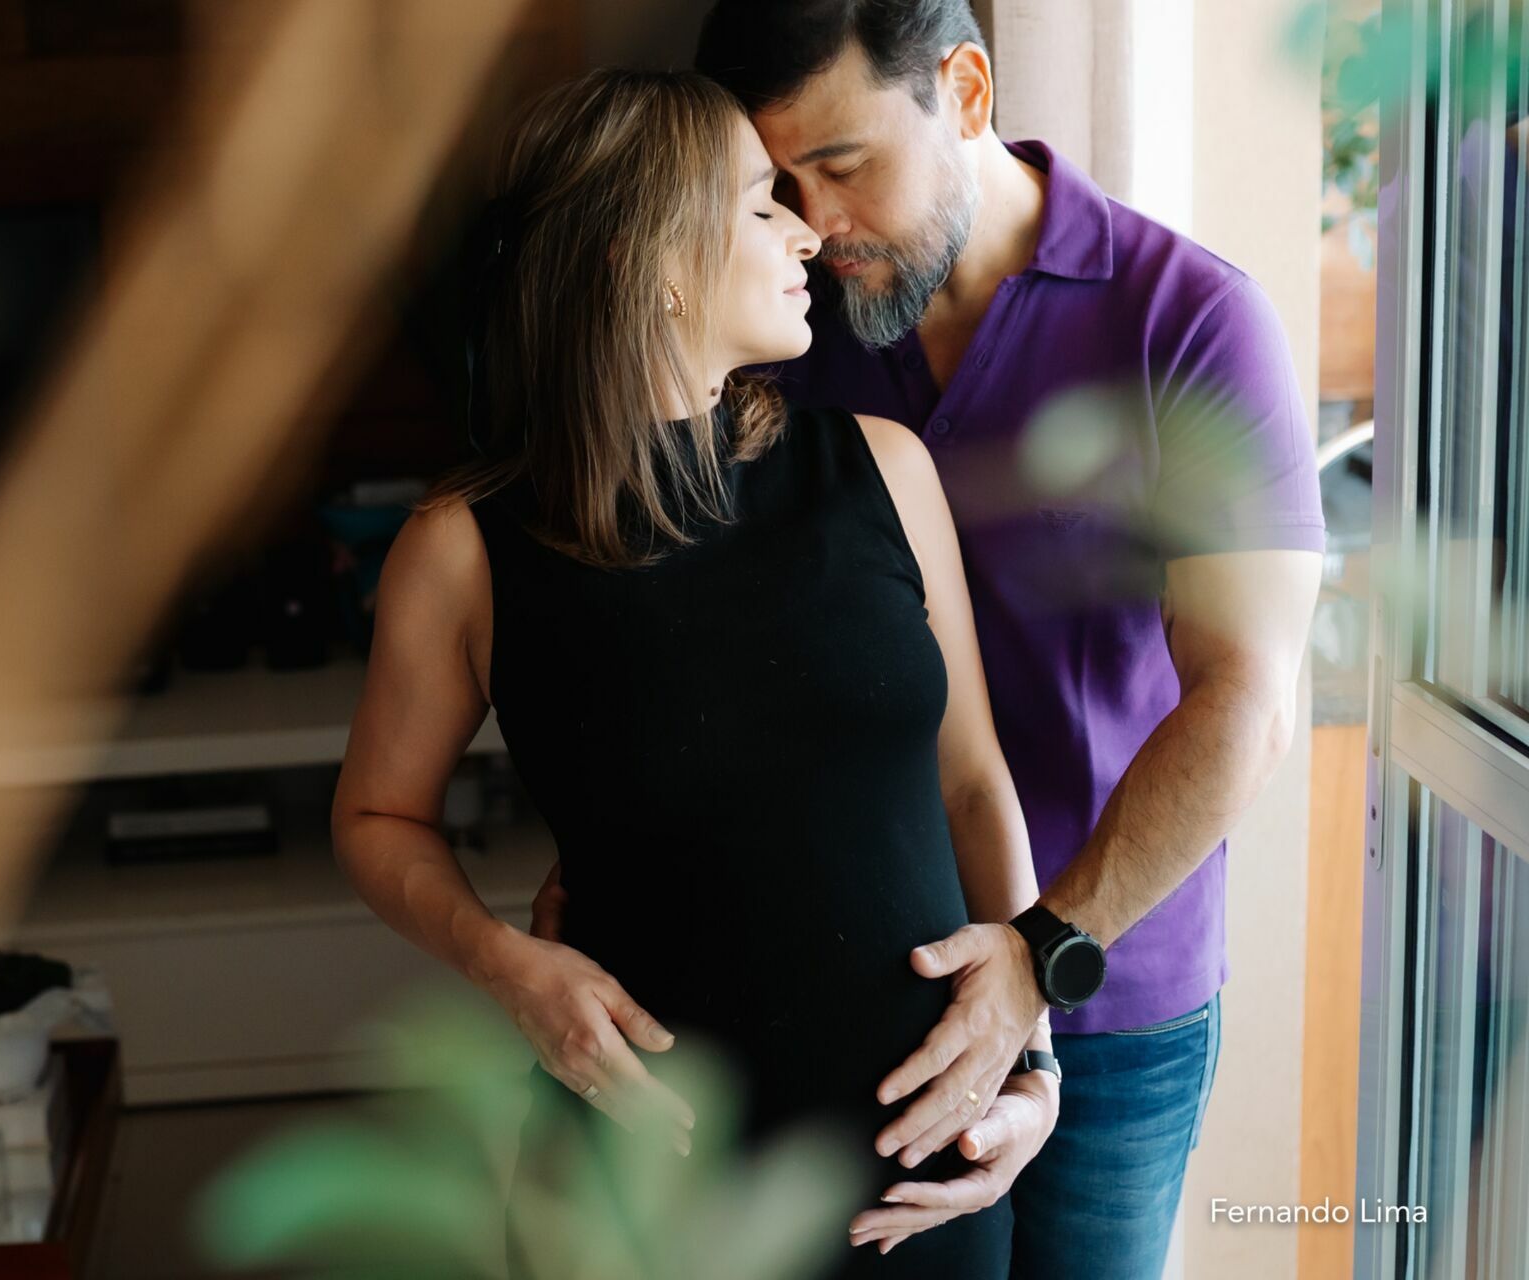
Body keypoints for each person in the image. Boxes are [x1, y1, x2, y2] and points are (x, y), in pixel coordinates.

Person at [526, 4, 1327, 1277]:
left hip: (1105, 994)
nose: (815, 219)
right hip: (835, 1003)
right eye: (779, 184)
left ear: (964, 88)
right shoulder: (789, 326)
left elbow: (1249, 702)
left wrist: (1041, 952)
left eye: (843, 165)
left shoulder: (1190, 322)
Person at [331, 67, 1054, 1277]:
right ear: (641, 261)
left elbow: (974, 785)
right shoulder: (464, 549)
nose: (805, 230)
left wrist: (1035, 1059)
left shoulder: (882, 467)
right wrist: (506, 965)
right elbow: (375, 814)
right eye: (757, 202)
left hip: (923, 1194)